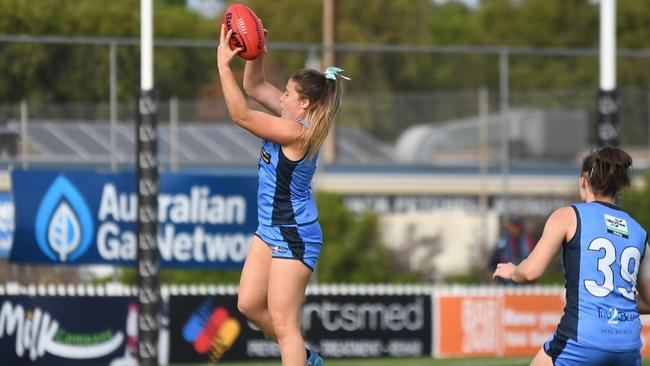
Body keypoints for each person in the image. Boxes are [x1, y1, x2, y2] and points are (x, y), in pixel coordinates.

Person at [217, 24, 347, 366]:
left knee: (286, 325)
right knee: (248, 304)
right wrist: (254, 50)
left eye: (288, 93)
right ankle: (304, 359)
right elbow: (254, 85)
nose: (282, 96)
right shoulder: (293, 114)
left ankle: (299, 357)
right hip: (270, 227)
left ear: (303, 103)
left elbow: (240, 114)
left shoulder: (295, 132)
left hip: (294, 232)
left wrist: (222, 65)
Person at [493, 146, 648, 366]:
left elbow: (530, 272)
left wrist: (512, 271)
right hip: (628, 345)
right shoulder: (638, 231)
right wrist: (616, 302)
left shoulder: (568, 216)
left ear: (584, 181)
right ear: (618, 187)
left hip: (583, 339)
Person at [489, 215, 535, 282]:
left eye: (517, 226)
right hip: (507, 282)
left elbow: (533, 261)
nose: (515, 229)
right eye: (513, 225)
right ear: (509, 226)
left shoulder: (528, 241)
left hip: (524, 282)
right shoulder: (502, 241)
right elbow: (493, 262)